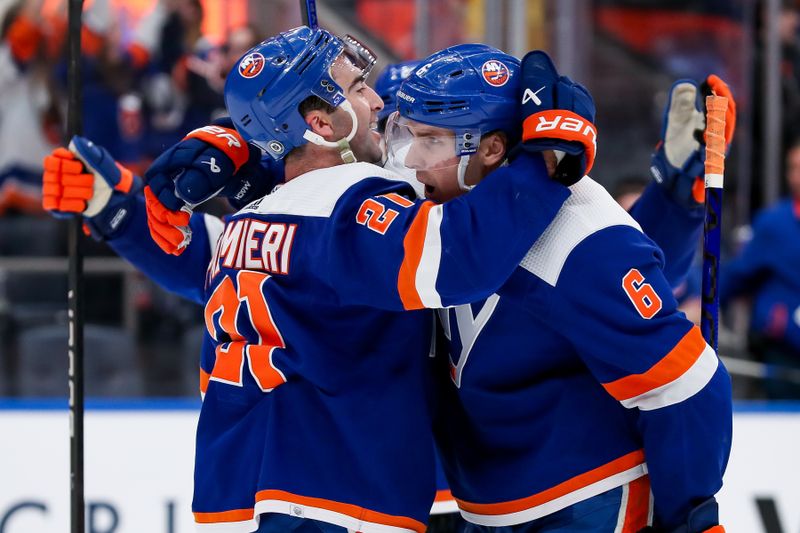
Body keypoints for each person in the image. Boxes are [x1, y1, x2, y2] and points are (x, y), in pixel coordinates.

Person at [43, 26, 585, 533]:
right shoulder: (355, 200)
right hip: (336, 492)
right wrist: (546, 158)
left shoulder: (249, 219)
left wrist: (120, 206)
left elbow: (206, 260)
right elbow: (458, 258)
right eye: (363, 90)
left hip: (240, 493)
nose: (381, 107)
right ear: (322, 123)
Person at [384, 44, 734, 532]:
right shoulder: (449, 206)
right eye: (409, 135)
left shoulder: (579, 235)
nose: (413, 159)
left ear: (491, 148)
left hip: (585, 500)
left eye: (432, 139)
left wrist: (691, 515)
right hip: (489, 504)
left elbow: (684, 382)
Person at [721, 138, 800, 399]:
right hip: (784, 354)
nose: (796, 176)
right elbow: (739, 275)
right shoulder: (773, 223)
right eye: (793, 167)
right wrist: (701, 302)